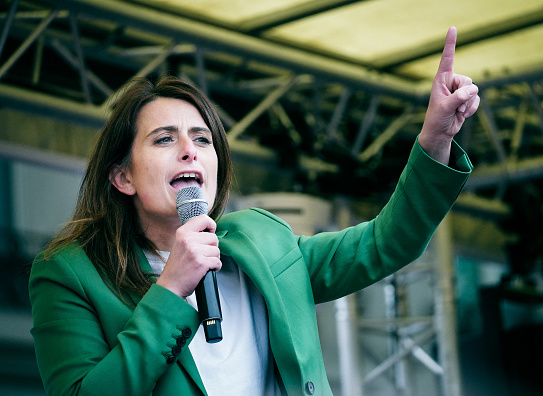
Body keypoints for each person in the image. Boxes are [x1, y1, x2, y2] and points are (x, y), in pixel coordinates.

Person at [29, 26, 479, 396]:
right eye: (165, 139)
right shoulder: (70, 274)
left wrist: (434, 141)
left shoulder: (262, 240)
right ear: (121, 177)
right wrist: (169, 292)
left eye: (203, 139)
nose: (190, 151)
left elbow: (385, 243)